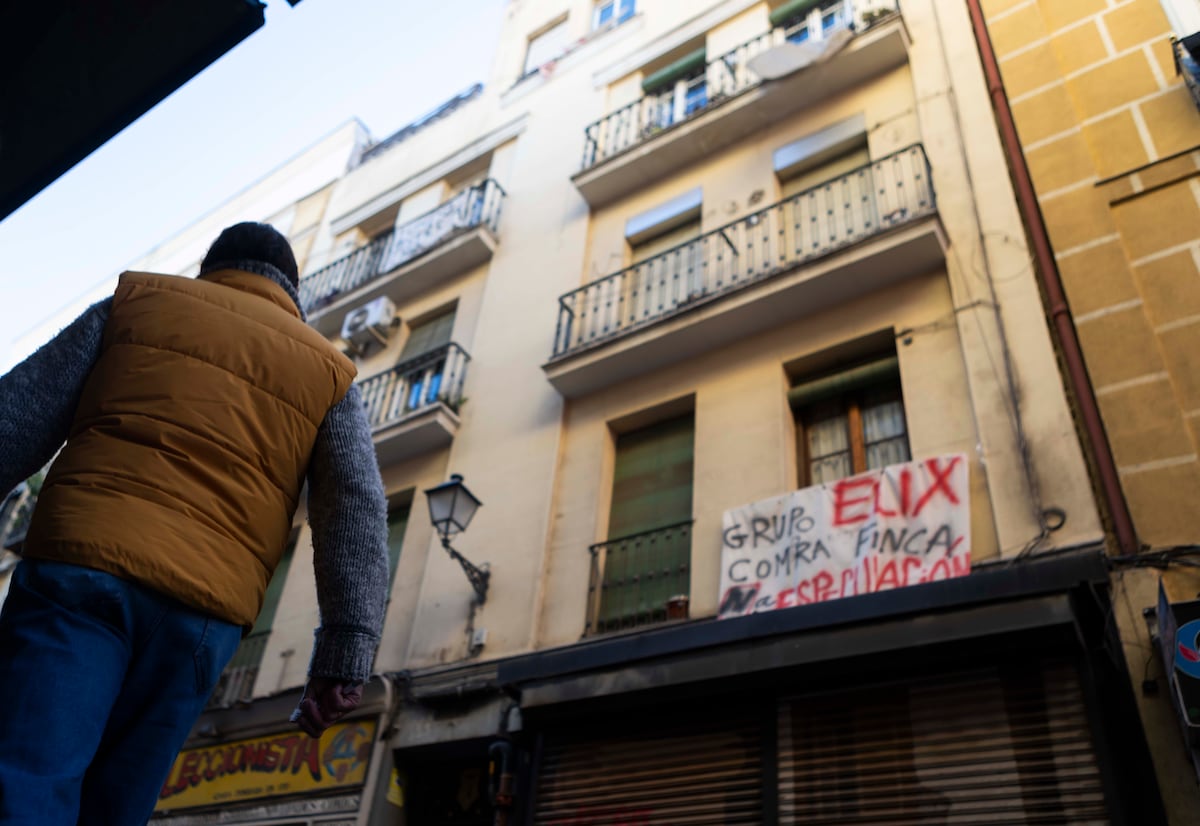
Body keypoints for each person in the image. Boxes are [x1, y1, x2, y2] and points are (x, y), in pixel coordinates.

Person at [0, 223, 390, 825]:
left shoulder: (136, 305)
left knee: (25, 777)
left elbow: (15, 418)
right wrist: (345, 649)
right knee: (115, 809)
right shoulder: (326, 372)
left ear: (211, 268)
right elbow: (356, 509)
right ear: (293, 290)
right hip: (202, 617)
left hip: (82, 570)